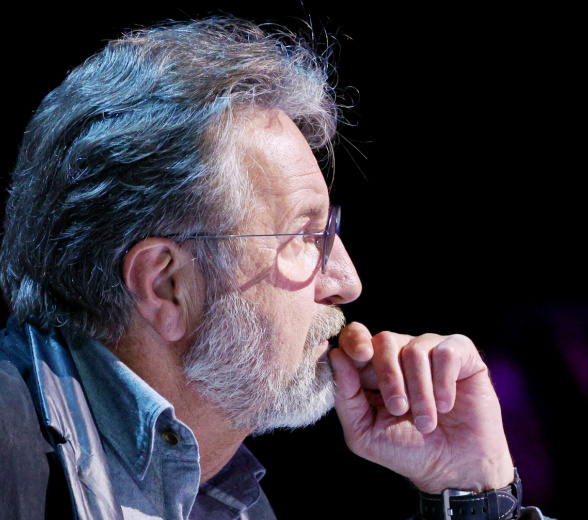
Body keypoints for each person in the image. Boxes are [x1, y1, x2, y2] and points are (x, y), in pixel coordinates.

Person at [0, 16, 549, 520]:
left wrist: (471, 491)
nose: (347, 281)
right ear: (166, 285)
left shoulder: (220, 491)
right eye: (305, 236)